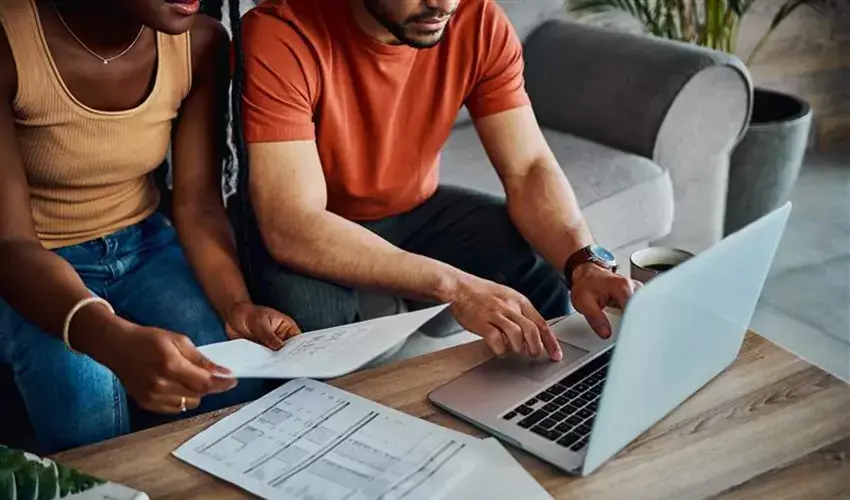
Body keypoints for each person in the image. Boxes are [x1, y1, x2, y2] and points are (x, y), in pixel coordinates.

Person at [230, 0, 641, 362]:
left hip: (417, 209)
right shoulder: (281, 32)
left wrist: (584, 262)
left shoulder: (478, 21)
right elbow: (292, 224)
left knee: (541, 268)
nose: (443, 4)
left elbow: (528, 166)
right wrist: (456, 287)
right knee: (317, 335)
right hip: (315, 222)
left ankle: (546, 410)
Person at [0, 0, 300, 453]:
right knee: (87, 410)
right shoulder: (9, 41)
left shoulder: (200, 42)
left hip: (145, 243)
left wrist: (236, 304)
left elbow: (198, 202)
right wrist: (108, 337)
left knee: (230, 383)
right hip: (33, 261)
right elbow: (11, 243)